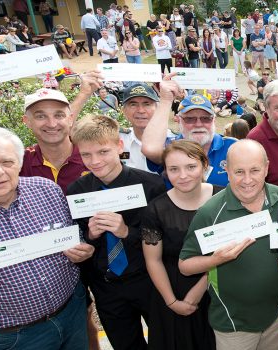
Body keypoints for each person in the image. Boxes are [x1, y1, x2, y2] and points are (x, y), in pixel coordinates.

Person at [0, 127, 94, 348]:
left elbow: (71, 235)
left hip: (72, 313)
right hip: (13, 337)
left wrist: (81, 249)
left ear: (19, 164)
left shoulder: (47, 191)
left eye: (7, 162)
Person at [66, 116, 167, 350]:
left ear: (119, 147)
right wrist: (90, 236)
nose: (95, 161)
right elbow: (78, 239)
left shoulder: (150, 184)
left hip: (148, 280)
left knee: (165, 340)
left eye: (103, 152)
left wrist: (126, 232)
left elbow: (163, 237)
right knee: (125, 344)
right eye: (86, 155)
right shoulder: (77, 191)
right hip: (107, 286)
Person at [178, 140, 278, 349]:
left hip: (275, 315)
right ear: (226, 171)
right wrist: (215, 260)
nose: (247, 180)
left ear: (266, 168)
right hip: (233, 324)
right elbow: (185, 265)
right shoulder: (210, 212)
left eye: (255, 170)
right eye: (239, 171)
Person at [141, 141, 218, 350]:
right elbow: (153, 260)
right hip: (172, 291)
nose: (183, 175)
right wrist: (172, 302)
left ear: (204, 165)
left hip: (217, 291)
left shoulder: (223, 199)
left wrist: (199, 290)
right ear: (165, 171)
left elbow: (228, 252)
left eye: (190, 167)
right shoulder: (155, 210)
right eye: (174, 169)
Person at [142, 79, 237, 187]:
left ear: (214, 120)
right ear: (178, 120)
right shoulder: (169, 147)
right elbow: (149, 149)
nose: (198, 124)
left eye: (206, 118)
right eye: (190, 119)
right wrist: (166, 100)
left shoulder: (232, 147)